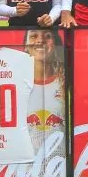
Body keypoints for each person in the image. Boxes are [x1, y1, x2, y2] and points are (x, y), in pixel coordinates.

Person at [24, 29, 67, 163]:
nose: (40, 41)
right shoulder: (16, 83)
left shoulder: (65, 82)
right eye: (34, 36)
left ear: (55, 44)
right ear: (25, 45)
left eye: (47, 36)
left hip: (59, 164)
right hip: (25, 167)